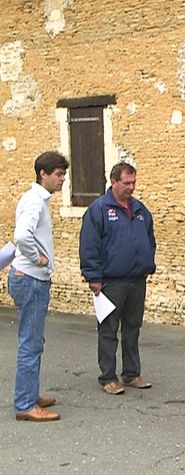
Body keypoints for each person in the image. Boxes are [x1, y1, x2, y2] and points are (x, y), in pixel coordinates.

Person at [79, 161, 156, 395]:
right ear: (113, 182)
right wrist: (93, 277)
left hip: (136, 280)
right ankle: (108, 377)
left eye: (134, 182)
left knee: (132, 328)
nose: (131, 187)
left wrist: (147, 265)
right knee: (109, 330)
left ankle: (132, 374)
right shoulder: (99, 210)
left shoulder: (141, 210)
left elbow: (150, 240)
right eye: (126, 183)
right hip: (111, 282)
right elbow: (89, 246)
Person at [8, 151, 69, 422]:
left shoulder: (36, 199)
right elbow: (21, 235)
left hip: (30, 278)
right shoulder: (34, 201)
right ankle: (25, 404)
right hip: (31, 279)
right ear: (42, 174)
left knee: (33, 340)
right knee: (30, 343)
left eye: (64, 174)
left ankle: (29, 394)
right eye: (58, 175)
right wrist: (38, 258)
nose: (62, 180)